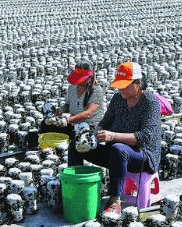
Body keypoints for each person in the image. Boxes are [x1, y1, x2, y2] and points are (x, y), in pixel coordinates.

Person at [68, 62, 161, 214]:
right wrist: (94, 135)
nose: (121, 89)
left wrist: (112, 136)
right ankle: (75, 190)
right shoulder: (118, 99)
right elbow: (105, 122)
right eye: (119, 85)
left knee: (119, 149)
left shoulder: (150, 102)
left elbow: (145, 136)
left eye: (126, 85)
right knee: (76, 145)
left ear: (138, 83)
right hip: (115, 153)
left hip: (143, 156)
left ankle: (115, 200)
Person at [41, 59, 106, 138]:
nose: (80, 82)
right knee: (45, 125)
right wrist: (60, 110)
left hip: (90, 126)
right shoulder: (72, 88)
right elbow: (68, 105)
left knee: (78, 138)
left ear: (90, 77)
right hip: (74, 123)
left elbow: (88, 113)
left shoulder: (96, 91)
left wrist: (68, 120)